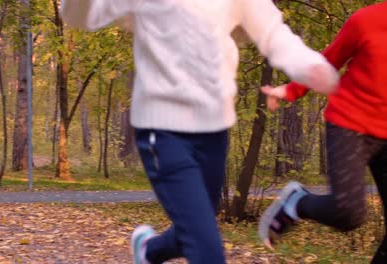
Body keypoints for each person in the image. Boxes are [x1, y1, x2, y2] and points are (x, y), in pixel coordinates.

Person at [60, 1, 339, 263]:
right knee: (207, 250)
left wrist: (308, 66)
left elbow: (273, 33)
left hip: (214, 132)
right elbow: (80, 17)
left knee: (193, 230)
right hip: (162, 131)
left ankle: (148, 251)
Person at [258, 2, 387, 263]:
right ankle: (297, 202)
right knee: (348, 213)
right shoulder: (366, 21)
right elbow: (329, 60)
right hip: (350, 123)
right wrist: (291, 90)